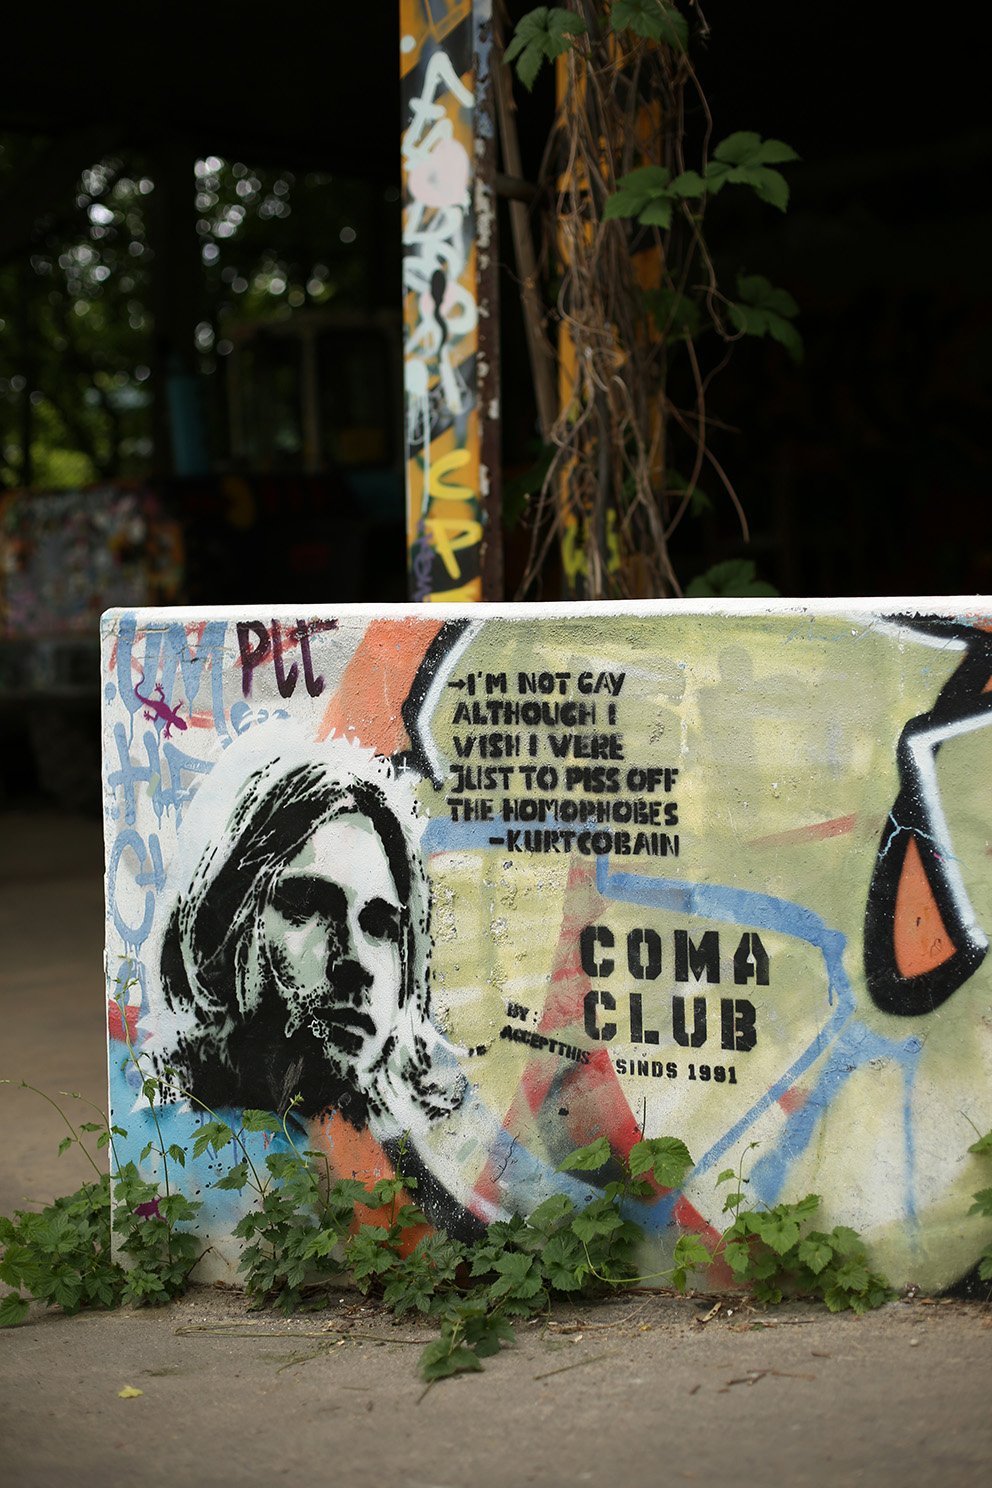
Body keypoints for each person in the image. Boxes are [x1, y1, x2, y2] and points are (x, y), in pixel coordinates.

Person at [151, 731, 464, 1140]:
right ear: (224, 927)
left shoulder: (402, 1159)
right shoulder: (166, 1123)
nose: (354, 960)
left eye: (379, 925)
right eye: (306, 907)